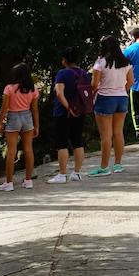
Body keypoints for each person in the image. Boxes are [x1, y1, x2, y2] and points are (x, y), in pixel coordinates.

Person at [90, 35, 133, 177]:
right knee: (118, 133)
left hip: (105, 98)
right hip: (121, 97)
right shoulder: (126, 62)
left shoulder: (100, 62)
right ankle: (118, 164)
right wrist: (121, 90)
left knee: (106, 135)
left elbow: (94, 85)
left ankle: (104, 167)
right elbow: (131, 81)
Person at [0, 64, 39, 191]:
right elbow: (35, 109)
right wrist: (36, 125)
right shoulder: (33, 89)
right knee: (28, 149)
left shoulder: (9, 88)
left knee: (11, 151)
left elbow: (4, 108)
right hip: (27, 117)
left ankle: (9, 183)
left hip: (13, 117)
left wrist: (0, 123)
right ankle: (28, 180)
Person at [48, 49, 88, 184]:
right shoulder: (84, 73)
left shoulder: (62, 73)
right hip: (80, 111)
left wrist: (68, 108)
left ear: (64, 60)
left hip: (63, 113)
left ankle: (62, 174)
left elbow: (59, 93)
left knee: (62, 143)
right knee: (77, 141)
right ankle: (77, 172)